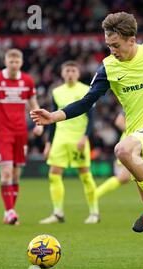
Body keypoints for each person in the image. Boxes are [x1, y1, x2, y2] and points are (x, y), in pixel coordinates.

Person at [30, 11, 143, 233]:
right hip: (139, 136)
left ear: (132, 40)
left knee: (122, 151)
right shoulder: (108, 68)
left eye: (116, 45)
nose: (112, 51)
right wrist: (54, 116)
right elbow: (87, 102)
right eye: (108, 46)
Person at [0, 48, 43, 225]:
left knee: (15, 175)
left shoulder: (27, 81)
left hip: (20, 132)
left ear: (21, 63)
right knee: (5, 174)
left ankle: (9, 213)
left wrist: (39, 123)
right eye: (10, 61)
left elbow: (33, 104)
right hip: (2, 132)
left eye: (16, 62)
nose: (13, 65)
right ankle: (10, 211)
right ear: (5, 62)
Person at [39, 60, 100, 224]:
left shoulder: (86, 90)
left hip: (78, 138)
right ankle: (57, 212)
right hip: (60, 139)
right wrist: (48, 143)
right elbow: (50, 120)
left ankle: (94, 213)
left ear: (78, 73)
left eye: (73, 70)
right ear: (62, 73)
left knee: (85, 175)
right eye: (67, 71)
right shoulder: (56, 92)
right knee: (53, 174)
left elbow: (92, 117)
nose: (70, 73)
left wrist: (85, 137)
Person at [95, 112, 131, 199]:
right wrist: (136, 133)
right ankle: (95, 194)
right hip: (131, 143)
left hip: (137, 143)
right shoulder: (133, 103)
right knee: (124, 177)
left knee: (129, 177)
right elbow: (119, 122)